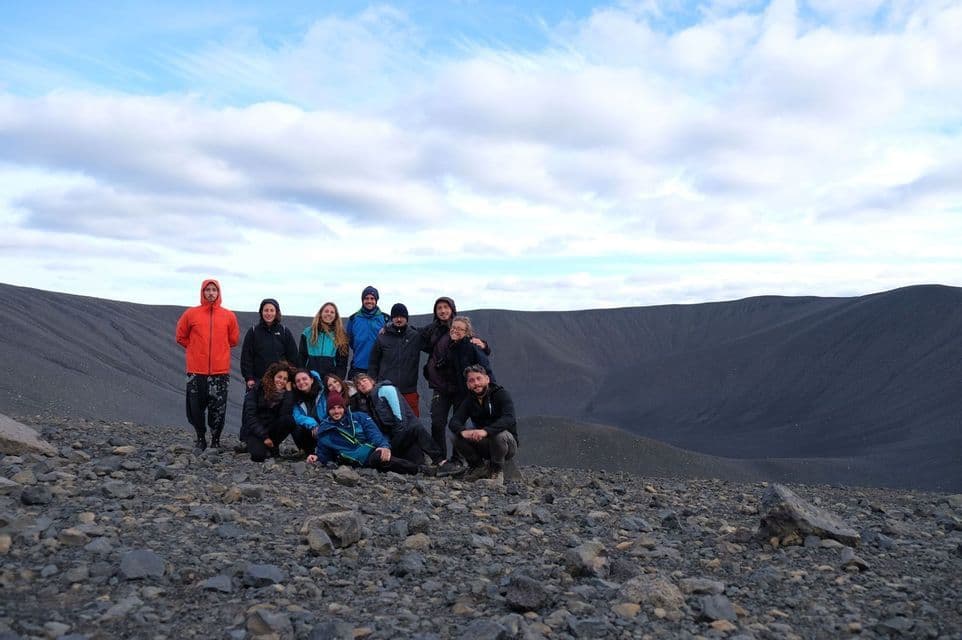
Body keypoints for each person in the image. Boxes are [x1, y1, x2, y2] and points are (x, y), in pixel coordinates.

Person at [175, 278, 240, 452]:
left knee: (218, 407)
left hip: (220, 370)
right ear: (202, 292)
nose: (211, 293)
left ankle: (216, 440)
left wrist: (219, 349)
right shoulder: (191, 314)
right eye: (207, 290)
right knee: (195, 407)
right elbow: (181, 336)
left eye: (214, 290)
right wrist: (195, 348)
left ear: (219, 293)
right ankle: (200, 437)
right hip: (197, 370)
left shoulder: (228, 316)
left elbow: (233, 339)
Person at [424, 313, 493, 470]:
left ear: (467, 332)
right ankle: (440, 459)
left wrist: (490, 387)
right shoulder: (449, 344)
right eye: (453, 327)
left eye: (460, 329)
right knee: (438, 421)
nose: (455, 331)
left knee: (458, 423)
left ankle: (458, 459)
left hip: (462, 392)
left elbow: (484, 366)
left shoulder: (471, 346)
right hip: (443, 389)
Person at [306, 393, 420, 475]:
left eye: (339, 407)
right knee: (380, 458)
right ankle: (417, 469)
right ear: (328, 411)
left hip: (376, 446)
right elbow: (325, 454)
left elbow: (374, 433)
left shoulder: (359, 416)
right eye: (332, 409)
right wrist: (317, 457)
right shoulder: (325, 430)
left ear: (344, 408)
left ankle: (424, 461)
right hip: (361, 459)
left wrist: (383, 446)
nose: (336, 411)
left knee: (412, 430)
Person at [353, 373, 443, 465]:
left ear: (372, 381)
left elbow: (399, 415)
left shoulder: (385, 389)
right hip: (390, 440)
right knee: (415, 460)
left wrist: (400, 434)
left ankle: (440, 460)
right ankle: (435, 460)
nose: (362, 384)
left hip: (400, 432)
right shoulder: (366, 403)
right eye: (359, 384)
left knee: (415, 429)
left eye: (364, 381)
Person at [448, 364, 518, 485]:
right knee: (456, 436)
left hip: (506, 444)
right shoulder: (469, 400)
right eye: (471, 380)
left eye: (479, 378)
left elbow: (509, 418)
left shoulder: (500, 394)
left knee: (498, 435)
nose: (476, 383)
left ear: (487, 379)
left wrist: (486, 431)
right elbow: (454, 421)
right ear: (468, 385)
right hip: (485, 443)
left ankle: (496, 472)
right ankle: (478, 467)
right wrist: (463, 431)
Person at [368, 302, 423, 415]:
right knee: (388, 424)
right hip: (387, 389)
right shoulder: (382, 337)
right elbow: (373, 362)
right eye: (396, 317)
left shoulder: (415, 336)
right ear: (391, 318)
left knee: (412, 426)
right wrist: (373, 381)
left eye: (402, 316)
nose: (399, 319)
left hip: (409, 391)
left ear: (406, 318)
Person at [239, 363, 297, 463]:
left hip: (272, 430)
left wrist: (288, 392)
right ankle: (263, 446)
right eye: (279, 377)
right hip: (256, 431)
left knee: (288, 420)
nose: (281, 381)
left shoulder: (285, 394)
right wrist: (264, 437)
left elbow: (285, 414)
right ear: (272, 376)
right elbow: (250, 416)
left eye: (285, 379)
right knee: (258, 456)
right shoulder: (258, 389)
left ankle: (273, 445)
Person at [241, 298, 299, 390]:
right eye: (266, 310)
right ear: (261, 312)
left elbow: (293, 357)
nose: (269, 313)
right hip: (258, 381)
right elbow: (246, 357)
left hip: (280, 382)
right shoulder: (253, 331)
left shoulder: (284, 331)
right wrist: (249, 378)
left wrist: (290, 378)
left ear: (276, 312)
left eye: (272, 310)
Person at [345, 286, 389, 378]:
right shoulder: (353, 319)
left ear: (376, 300)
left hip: (379, 367)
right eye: (366, 298)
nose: (369, 301)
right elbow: (351, 341)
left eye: (372, 298)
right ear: (362, 300)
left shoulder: (386, 319)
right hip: (358, 366)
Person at [299, 302, 349, 379]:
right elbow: (302, 358)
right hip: (310, 379)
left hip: (331, 381)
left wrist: (338, 380)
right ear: (320, 313)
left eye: (332, 312)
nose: (329, 314)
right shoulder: (307, 333)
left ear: (335, 316)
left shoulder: (341, 336)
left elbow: (342, 364)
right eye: (326, 311)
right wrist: (303, 376)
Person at [290, 369, 327, 455]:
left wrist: (321, 427)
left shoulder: (323, 392)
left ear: (312, 379)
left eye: (304, 379)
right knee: (294, 426)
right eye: (298, 381)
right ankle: (308, 451)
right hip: (310, 431)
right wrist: (312, 424)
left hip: (325, 428)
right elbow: (296, 416)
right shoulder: (296, 398)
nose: (301, 382)